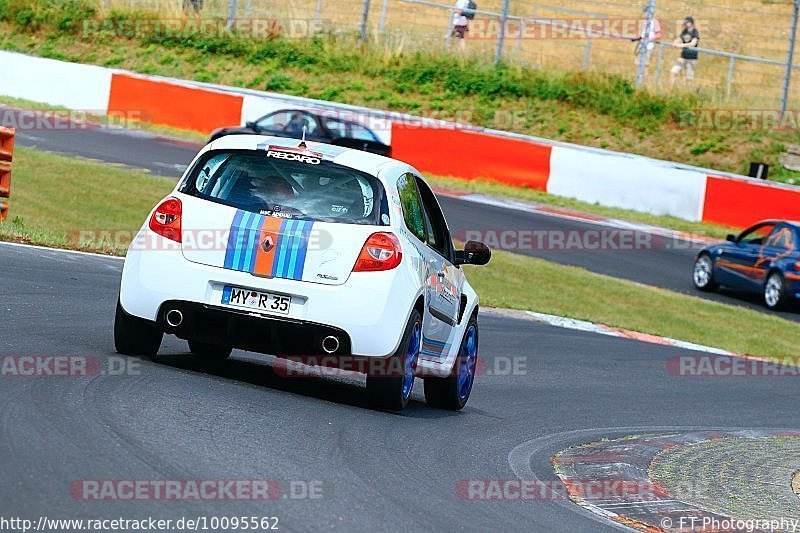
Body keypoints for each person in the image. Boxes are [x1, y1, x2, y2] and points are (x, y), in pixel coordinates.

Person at [631, 6, 662, 80]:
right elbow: (642, 34)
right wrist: (637, 39)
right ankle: (638, 79)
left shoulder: (655, 22)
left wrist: (649, 39)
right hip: (641, 45)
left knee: (646, 64)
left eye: (645, 12)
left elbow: (658, 35)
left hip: (649, 46)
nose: (644, 14)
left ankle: (645, 80)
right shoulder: (644, 22)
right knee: (638, 63)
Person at [670, 17, 700, 89]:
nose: (685, 24)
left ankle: (687, 92)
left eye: (687, 22)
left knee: (688, 78)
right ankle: (671, 89)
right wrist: (675, 42)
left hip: (692, 58)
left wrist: (682, 45)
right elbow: (679, 38)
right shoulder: (684, 31)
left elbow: (693, 43)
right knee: (674, 71)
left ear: (691, 23)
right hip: (683, 57)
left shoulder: (695, 32)